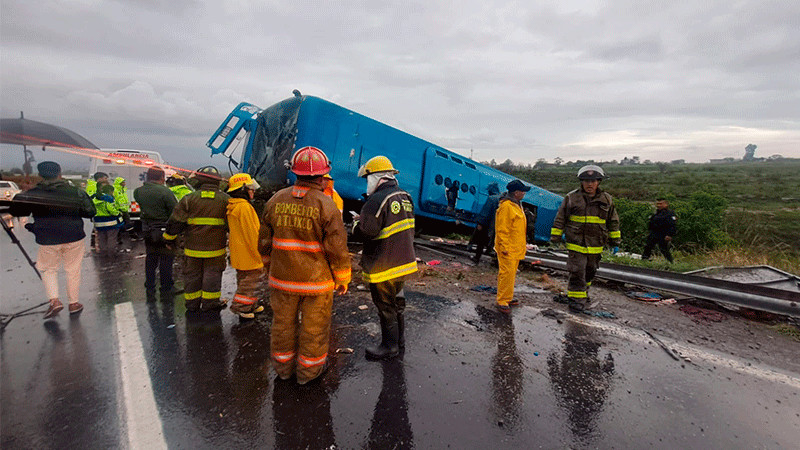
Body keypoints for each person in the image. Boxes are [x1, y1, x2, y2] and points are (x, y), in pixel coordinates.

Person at [259, 146, 351, 384]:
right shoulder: (327, 204)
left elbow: (264, 243)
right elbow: (337, 248)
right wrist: (342, 278)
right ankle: (308, 374)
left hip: (282, 280)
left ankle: (283, 369)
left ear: (294, 172)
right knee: (314, 328)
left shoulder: (275, 200)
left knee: (282, 326)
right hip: (315, 283)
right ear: (323, 176)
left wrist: (269, 267)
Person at [9, 161, 96, 318]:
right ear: (59, 173)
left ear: (40, 175)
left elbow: (16, 210)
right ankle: (74, 303)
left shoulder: (34, 193)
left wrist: (24, 193)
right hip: (73, 235)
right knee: (73, 270)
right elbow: (90, 212)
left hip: (47, 238)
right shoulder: (75, 192)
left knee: (49, 270)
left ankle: (55, 301)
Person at [355, 155, 417, 360]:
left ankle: (389, 347)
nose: (367, 183)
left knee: (385, 306)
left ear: (376, 177)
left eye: (367, 178)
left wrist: (357, 223)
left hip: (383, 265)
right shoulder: (405, 196)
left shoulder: (376, 200)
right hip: (403, 262)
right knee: (397, 303)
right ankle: (400, 343)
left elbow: (368, 232)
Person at [550, 165, 621, 312]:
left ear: (599, 182)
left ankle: (583, 293)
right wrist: (555, 236)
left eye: (593, 181)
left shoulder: (606, 199)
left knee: (590, 271)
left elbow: (613, 221)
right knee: (577, 271)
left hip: (596, 244)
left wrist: (615, 240)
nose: (590, 184)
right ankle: (576, 300)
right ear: (581, 182)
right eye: (586, 180)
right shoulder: (572, 198)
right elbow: (560, 218)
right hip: (576, 243)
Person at [163, 166, 230, 312]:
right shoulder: (226, 200)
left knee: (192, 275)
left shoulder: (189, 199)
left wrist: (169, 239)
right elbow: (231, 225)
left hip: (192, 249)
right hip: (215, 250)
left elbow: (175, 222)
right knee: (212, 275)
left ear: (199, 181)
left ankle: (192, 304)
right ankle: (210, 304)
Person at [134, 166, 178, 299]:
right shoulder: (165, 192)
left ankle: (150, 287)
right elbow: (174, 212)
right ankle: (166, 288)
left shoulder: (138, 191)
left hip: (147, 229)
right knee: (166, 259)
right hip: (163, 230)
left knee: (151, 259)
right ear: (162, 178)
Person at [226, 173, 266, 320]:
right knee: (251, 282)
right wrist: (260, 253)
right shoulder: (244, 208)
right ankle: (241, 307)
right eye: (250, 188)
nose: (253, 191)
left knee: (245, 281)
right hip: (249, 254)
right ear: (242, 189)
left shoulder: (234, 206)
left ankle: (251, 304)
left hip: (240, 253)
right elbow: (253, 234)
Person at [494, 180, 530, 314]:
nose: (524, 193)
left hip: (515, 247)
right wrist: (503, 246)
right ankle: (502, 300)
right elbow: (502, 229)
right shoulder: (507, 207)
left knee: (511, 274)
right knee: (506, 274)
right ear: (516, 193)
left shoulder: (516, 205)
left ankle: (507, 297)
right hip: (508, 248)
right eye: (523, 191)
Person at [470, 182, 501, 265]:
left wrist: (480, 223)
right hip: (499, 226)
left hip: (488, 225)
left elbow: (485, 213)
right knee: (496, 244)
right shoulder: (502, 199)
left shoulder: (491, 198)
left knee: (481, 242)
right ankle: (496, 262)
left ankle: (477, 258)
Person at [641, 197, 677, 263]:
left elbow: (673, 225)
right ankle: (644, 260)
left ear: (666, 204)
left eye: (661, 204)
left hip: (663, 234)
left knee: (664, 249)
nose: (659, 205)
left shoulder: (670, 214)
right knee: (648, 247)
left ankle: (670, 262)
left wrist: (669, 235)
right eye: (657, 204)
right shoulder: (656, 214)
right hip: (654, 233)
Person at [92, 182, 123, 256]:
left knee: (101, 238)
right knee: (111, 238)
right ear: (110, 191)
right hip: (110, 221)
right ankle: (111, 253)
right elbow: (111, 210)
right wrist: (118, 213)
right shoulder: (107, 198)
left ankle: (103, 253)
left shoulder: (94, 198)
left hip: (98, 222)